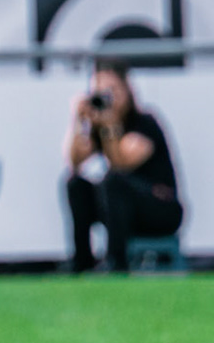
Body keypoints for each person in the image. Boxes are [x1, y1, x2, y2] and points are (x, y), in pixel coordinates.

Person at [64, 59, 182, 271]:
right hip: (119, 209)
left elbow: (121, 163)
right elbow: (74, 161)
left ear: (127, 89)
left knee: (114, 181)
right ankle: (81, 262)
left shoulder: (145, 122)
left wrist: (110, 125)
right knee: (76, 185)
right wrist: (78, 121)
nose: (107, 97)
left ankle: (115, 262)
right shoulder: (99, 127)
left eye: (112, 90)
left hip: (159, 208)